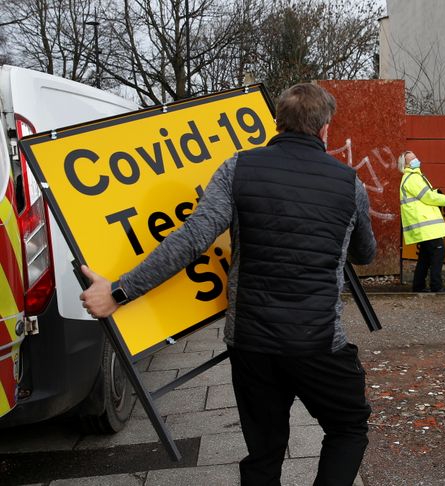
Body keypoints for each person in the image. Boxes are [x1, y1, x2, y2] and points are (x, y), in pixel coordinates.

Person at [80, 83, 377, 486]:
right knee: (348, 427)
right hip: (318, 342)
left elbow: (191, 239)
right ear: (325, 128)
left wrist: (118, 292)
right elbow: (365, 254)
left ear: (277, 122)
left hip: (251, 343)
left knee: (264, 449)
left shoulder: (237, 168)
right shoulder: (350, 183)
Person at [397, 150, 445, 293]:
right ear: (404, 164)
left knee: (424, 257)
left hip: (423, 225)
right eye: (411, 159)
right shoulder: (413, 178)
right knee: (438, 253)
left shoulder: (413, 177)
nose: (415, 160)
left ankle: (418, 286)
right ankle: (436, 286)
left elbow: (424, 196)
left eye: (415, 157)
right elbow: (427, 197)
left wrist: (436, 193)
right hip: (426, 224)